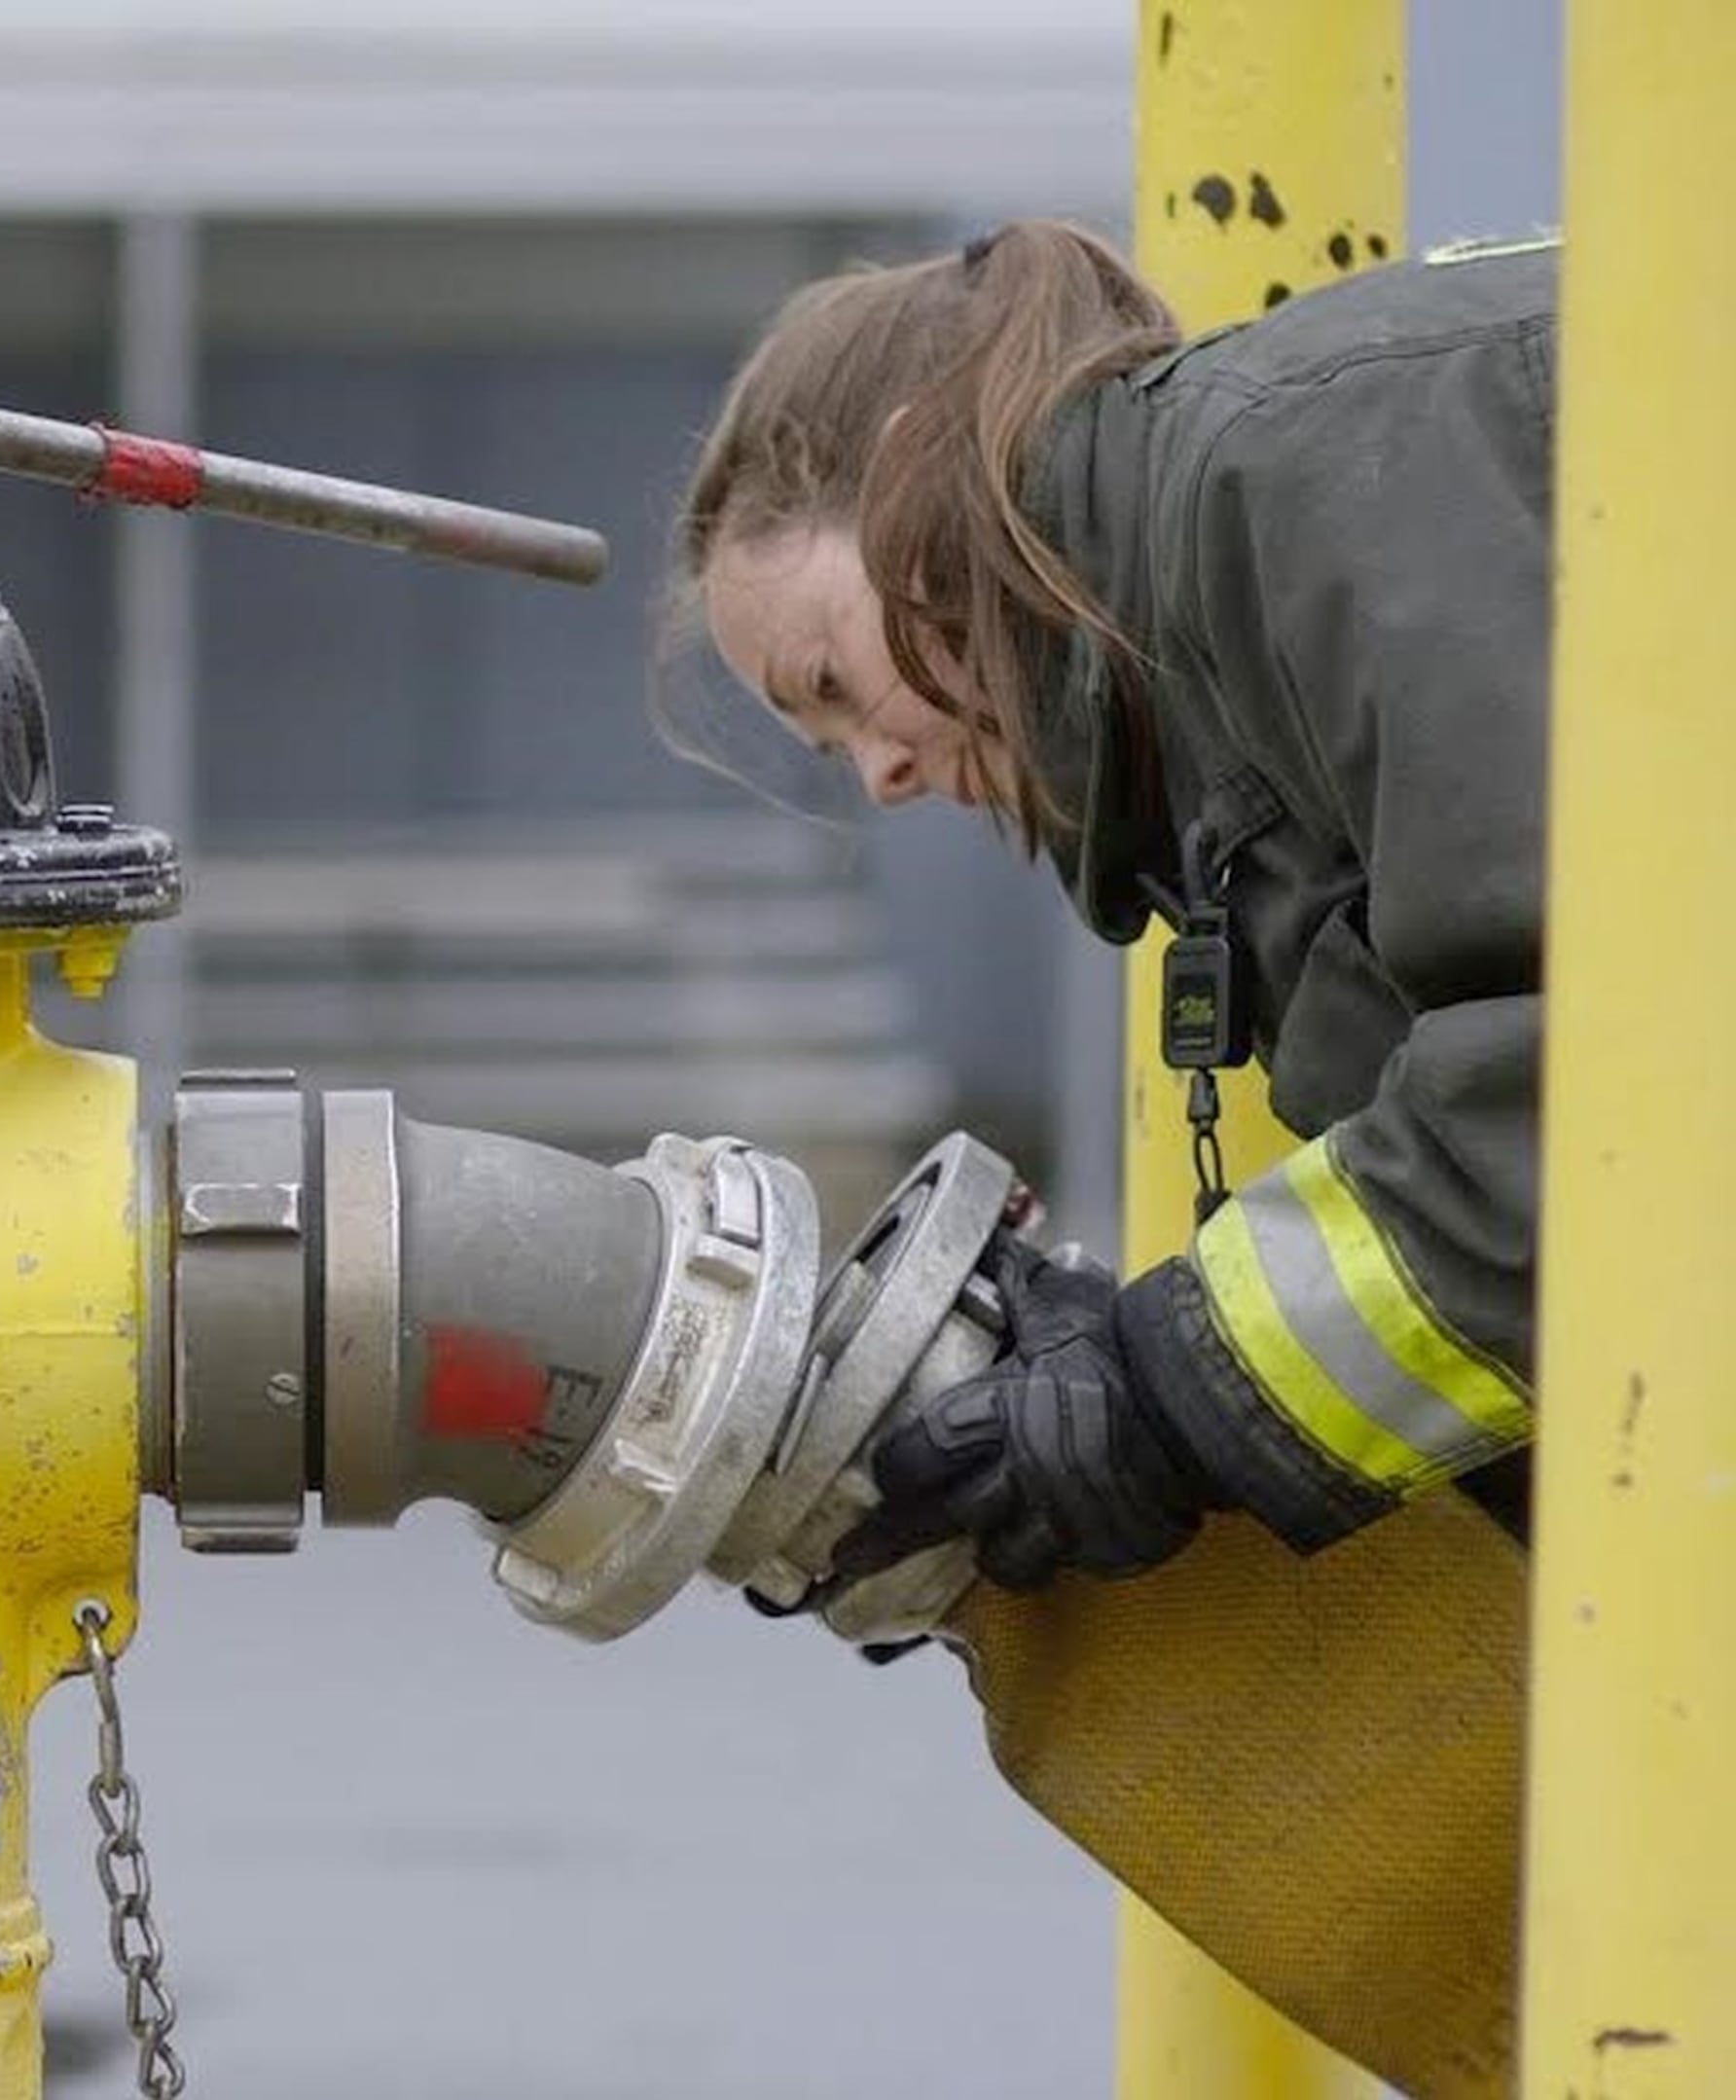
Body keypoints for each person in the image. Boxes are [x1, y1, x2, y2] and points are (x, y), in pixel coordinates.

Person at [666, 217, 1555, 1592]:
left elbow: (1590, 1084)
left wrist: (1170, 1389)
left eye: (833, 686)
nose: (884, 775)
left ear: (918, 470)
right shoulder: (1236, 656)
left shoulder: (1313, 478)